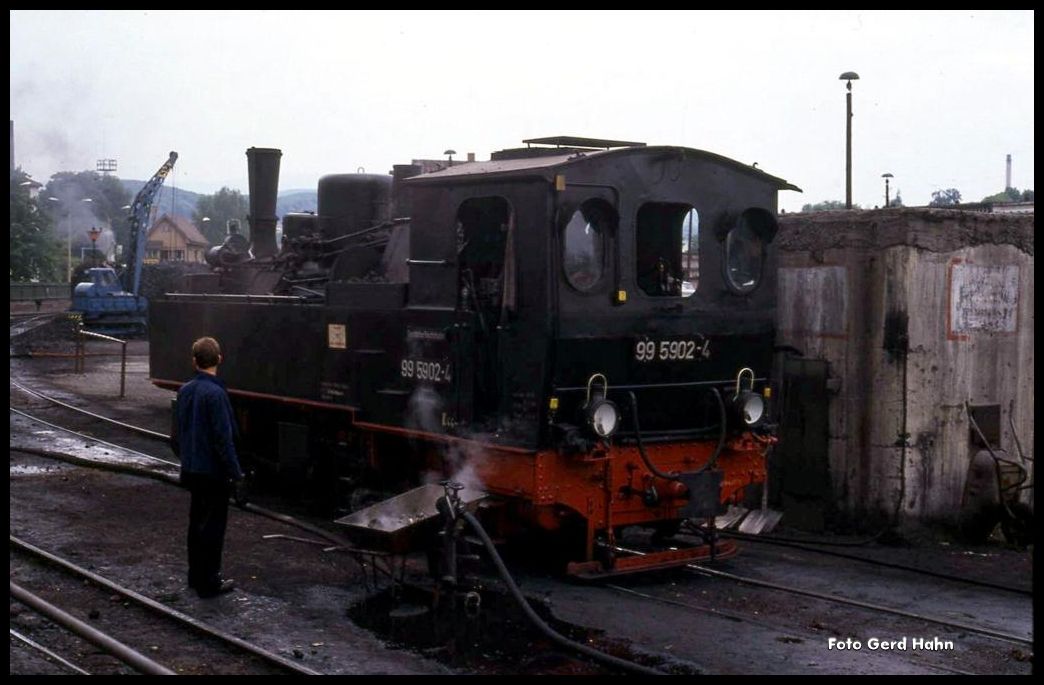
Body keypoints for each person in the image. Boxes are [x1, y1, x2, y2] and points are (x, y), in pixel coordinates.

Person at [171, 336, 245, 599]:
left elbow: (176, 436)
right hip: (213, 472)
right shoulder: (216, 394)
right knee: (213, 528)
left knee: (195, 525)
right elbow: (223, 440)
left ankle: (195, 576)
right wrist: (236, 475)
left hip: (191, 470)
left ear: (194, 361)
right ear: (219, 359)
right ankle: (209, 582)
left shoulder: (185, 390)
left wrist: (187, 458)